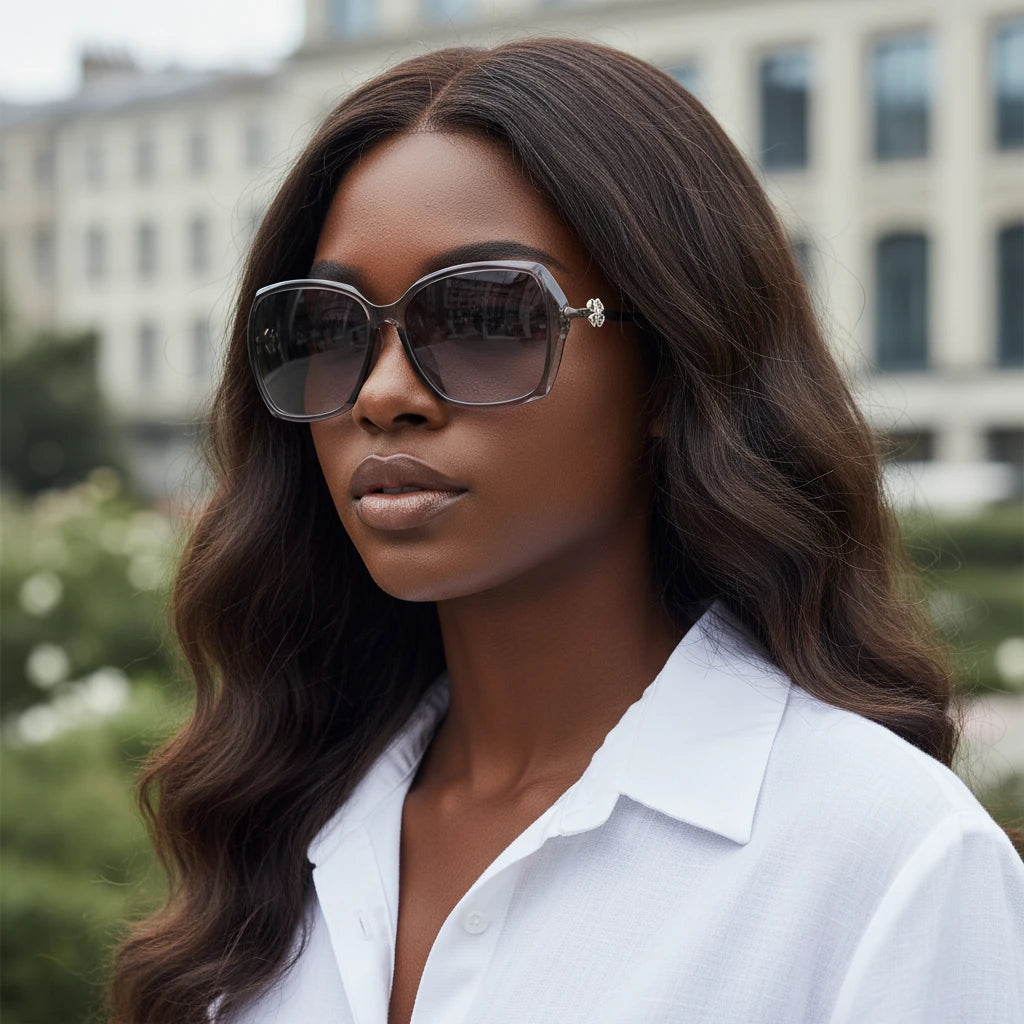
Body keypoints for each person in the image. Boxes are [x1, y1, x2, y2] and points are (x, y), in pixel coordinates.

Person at [107, 36, 1024, 1024]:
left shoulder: (885, 860)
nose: (380, 394)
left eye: (487, 318)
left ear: (673, 366)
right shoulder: (282, 822)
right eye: (327, 331)